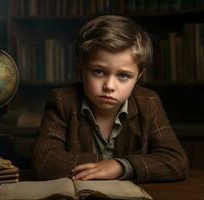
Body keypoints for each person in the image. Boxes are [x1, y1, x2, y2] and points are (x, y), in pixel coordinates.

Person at [31, 15, 189, 183]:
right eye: (99, 71)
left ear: (138, 76)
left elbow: (176, 162)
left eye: (123, 75)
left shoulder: (148, 102)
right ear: (81, 68)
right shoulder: (63, 101)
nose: (109, 86)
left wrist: (120, 166)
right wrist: (102, 165)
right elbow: (44, 161)